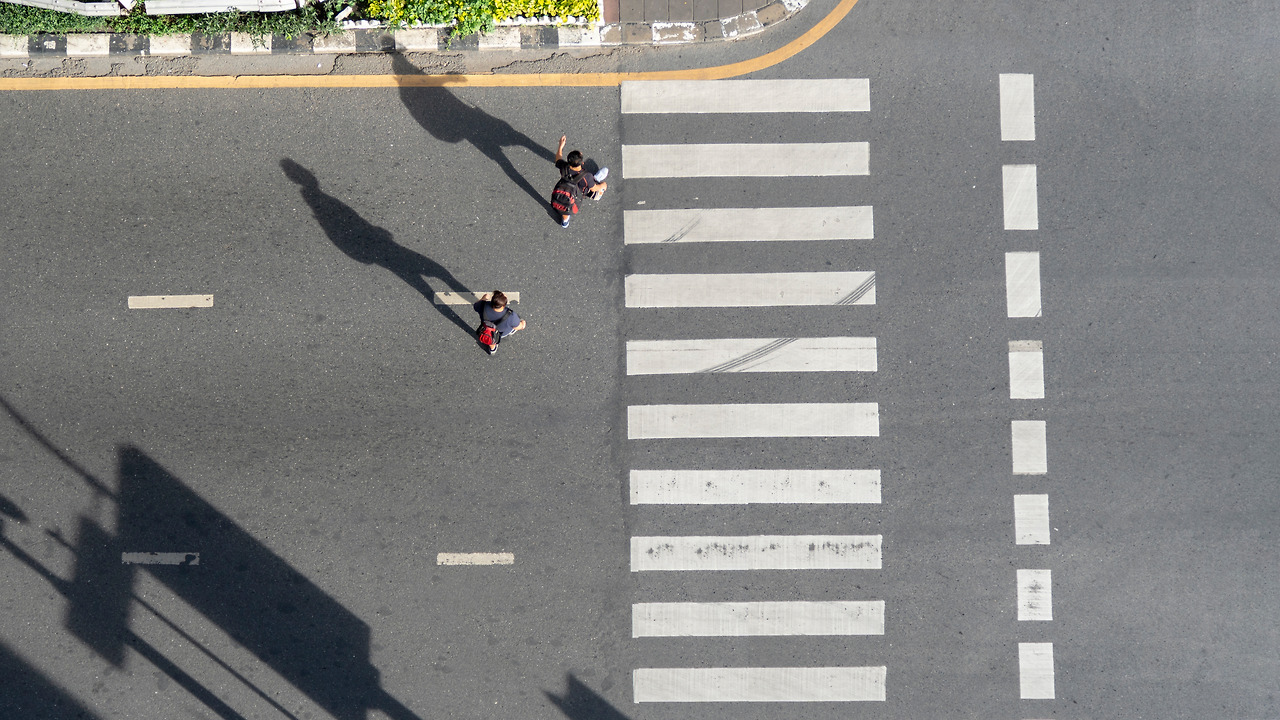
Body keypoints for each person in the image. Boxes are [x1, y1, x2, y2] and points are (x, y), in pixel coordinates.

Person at [552, 135, 608, 228]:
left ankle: (565, 222)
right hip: (579, 192)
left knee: (566, 205)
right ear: (582, 163)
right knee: (596, 188)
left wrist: (560, 146)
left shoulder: (564, 167)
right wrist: (603, 185)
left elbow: (558, 158)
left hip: (566, 190)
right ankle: (597, 182)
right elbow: (594, 188)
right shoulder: (587, 176)